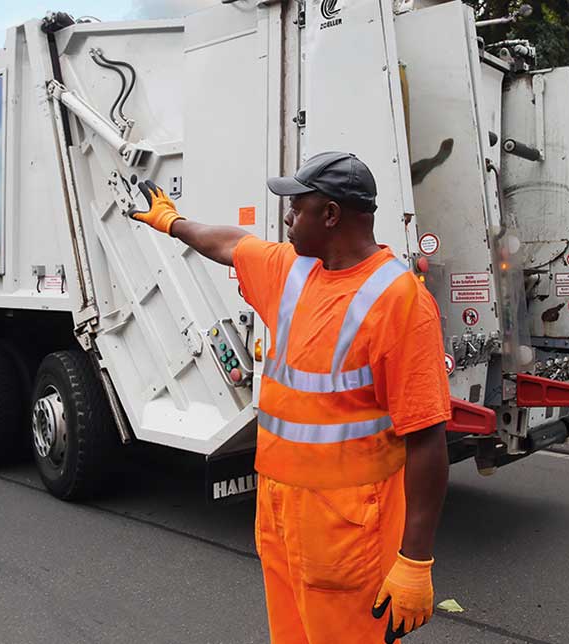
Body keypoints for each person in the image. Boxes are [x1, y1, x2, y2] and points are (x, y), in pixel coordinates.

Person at [129, 152, 452, 643]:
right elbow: (232, 245)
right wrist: (173, 223)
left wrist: (415, 560)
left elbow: (427, 438)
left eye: (296, 206)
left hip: (347, 531)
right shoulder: (294, 271)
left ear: (331, 215)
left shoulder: (399, 300)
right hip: (280, 516)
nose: (286, 216)